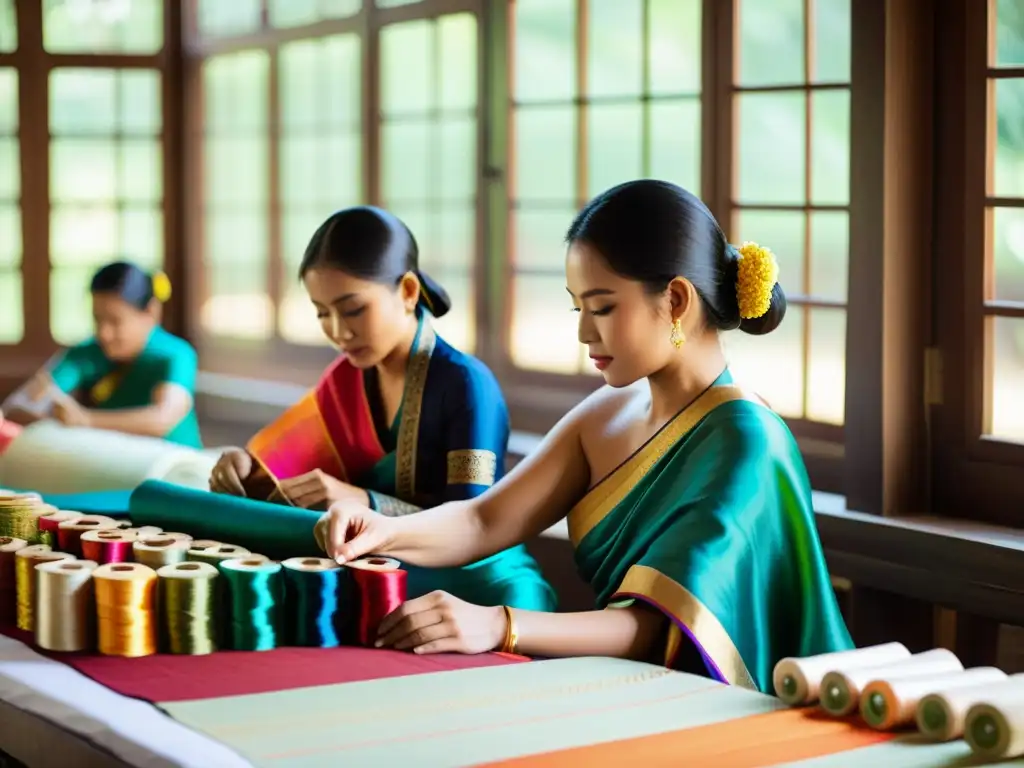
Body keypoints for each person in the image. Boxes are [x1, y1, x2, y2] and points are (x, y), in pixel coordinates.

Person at [316, 181, 853, 692]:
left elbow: (660, 627)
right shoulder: (610, 410)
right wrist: (381, 531)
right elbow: (486, 519)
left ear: (677, 301)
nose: (583, 333)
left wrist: (499, 625)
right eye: (579, 308)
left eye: (602, 307)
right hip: (623, 686)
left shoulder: (747, 442)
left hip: (716, 704)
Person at [209, 205, 555, 613]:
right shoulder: (343, 381)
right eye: (323, 313)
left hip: (483, 590)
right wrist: (243, 469)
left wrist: (364, 502)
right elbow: (281, 474)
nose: (338, 331)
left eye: (353, 309)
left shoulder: (468, 385)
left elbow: (472, 520)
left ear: (407, 292)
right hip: (382, 578)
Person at [3, 261, 201, 448]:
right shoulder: (86, 353)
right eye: (97, 320)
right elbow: (14, 408)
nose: (104, 333)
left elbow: (163, 418)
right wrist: (53, 419)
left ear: (151, 311)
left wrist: (85, 420)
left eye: (115, 321)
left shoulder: (175, 355)